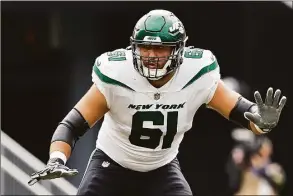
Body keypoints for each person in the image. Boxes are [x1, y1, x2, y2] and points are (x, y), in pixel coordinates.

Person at [28, 9, 287, 195]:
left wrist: (261, 121)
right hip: (112, 166)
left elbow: (242, 113)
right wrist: (57, 159)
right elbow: (72, 124)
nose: (151, 55)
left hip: (161, 167)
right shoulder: (116, 73)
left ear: (179, 50)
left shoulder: (197, 72)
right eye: (145, 48)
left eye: (161, 48)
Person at [226, 129, 286, 195]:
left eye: (268, 155)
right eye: (260, 155)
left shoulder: (271, 172)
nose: (265, 160)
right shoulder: (244, 171)